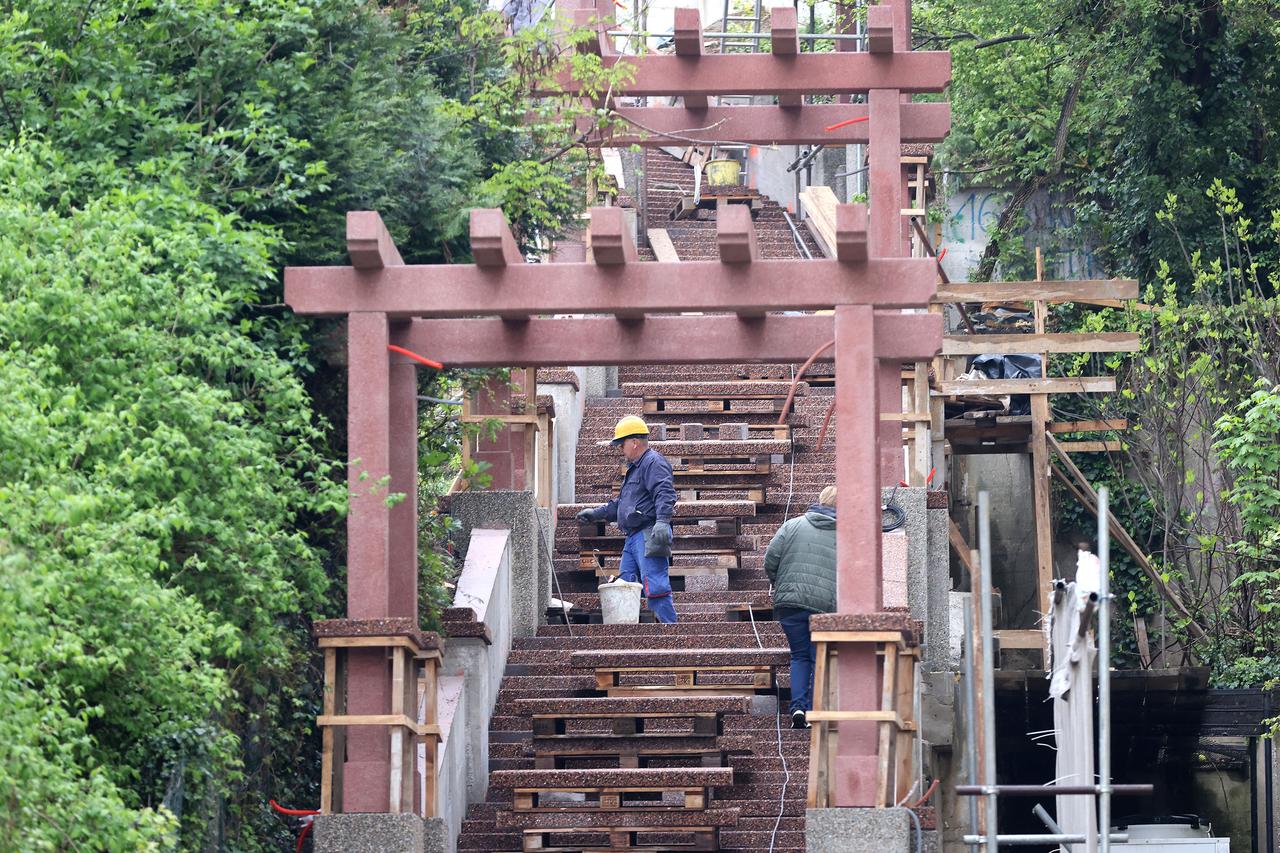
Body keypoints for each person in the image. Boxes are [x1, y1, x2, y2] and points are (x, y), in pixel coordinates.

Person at [575, 416, 678, 623]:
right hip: (633, 538)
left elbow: (665, 493)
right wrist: (597, 513)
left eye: (622, 444)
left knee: (655, 586)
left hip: (648, 534)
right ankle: (629, 630)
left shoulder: (653, 462)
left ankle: (671, 631)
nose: (620, 449)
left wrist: (663, 521)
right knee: (625, 584)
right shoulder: (635, 468)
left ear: (634, 442)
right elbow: (623, 504)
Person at [764, 485, 837, 729]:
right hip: (825, 606)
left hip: (790, 604)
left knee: (799, 655)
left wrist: (779, 583)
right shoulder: (846, 533)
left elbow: (770, 558)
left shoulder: (792, 525)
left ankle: (797, 708)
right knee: (818, 658)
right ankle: (814, 712)